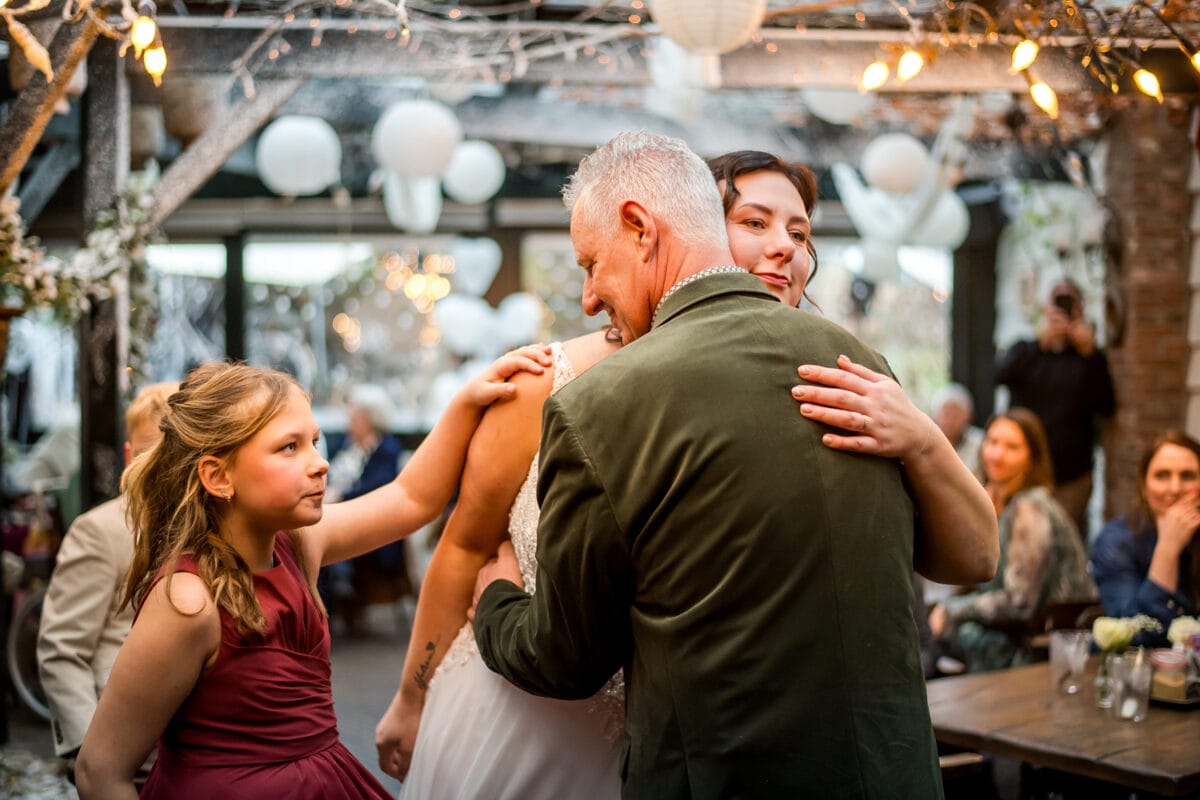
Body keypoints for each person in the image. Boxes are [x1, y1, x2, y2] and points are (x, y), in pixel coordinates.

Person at [376, 147, 997, 795]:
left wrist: (498, 597)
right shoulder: (855, 364)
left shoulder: (607, 406)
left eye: (592, 265)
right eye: (755, 223)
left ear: (644, 229)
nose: (588, 298)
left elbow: (566, 657)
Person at [73, 346, 552, 799]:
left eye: (316, 442)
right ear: (218, 476)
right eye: (289, 448)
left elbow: (411, 498)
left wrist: (466, 402)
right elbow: (100, 770)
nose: (319, 463)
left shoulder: (298, 546)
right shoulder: (188, 604)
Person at [36, 382, 177, 783]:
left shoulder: (213, 526)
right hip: (130, 757)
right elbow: (62, 648)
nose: (166, 468)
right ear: (130, 456)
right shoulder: (99, 530)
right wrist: (89, 753)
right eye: (155, 454)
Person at [929, 408, 1096, 673]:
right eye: (993, 442)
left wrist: (953, 610)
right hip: (1024, 634)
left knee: (941, 630)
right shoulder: (1003, 504)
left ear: (1031, 457)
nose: (997, 454)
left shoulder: (1029, 508)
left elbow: (1019, 603)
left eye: (1012, 446)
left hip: (1042, 648)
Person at [995, 279, 1116, 538]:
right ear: (1046, 310)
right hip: (1023, 471)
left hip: (1072, 475)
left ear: (1079, 311)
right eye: (1057, 303)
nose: (1062, 312)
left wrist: (1090, 353)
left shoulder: (1088, 359)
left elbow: (1106, 405)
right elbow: (1000, 374)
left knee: (1062, 543)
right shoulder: (1027, 349)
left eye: (1069, 304)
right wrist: (1041, 343)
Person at [1089, 431, 1200, 647]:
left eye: (1187, 476)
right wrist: (1168, 548)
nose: (1175, 489)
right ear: (1144, 487)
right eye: (1162, 476)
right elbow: (1133, 634)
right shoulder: (1116, 540)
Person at [320, 384, 408, 632]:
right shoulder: (343, 445)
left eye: (355, 417)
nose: (350, 422)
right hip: (330, 511)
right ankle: (327, 602)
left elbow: (380, 487)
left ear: (371, 419)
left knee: (326, 540)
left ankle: (336, 593)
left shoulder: (387, 448)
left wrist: (341, 495)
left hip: (370, 518)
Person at [931, 382, 985, 482]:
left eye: (956, 414)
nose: (950, 421)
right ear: (935, 417)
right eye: (946, 414)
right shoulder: (927, 443)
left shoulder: (980, 442)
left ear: (968, 416)